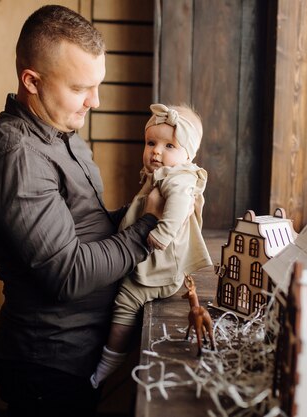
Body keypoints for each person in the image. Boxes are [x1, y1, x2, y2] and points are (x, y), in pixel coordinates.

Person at [0, 5, 164, 417]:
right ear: (32, 81)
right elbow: (67, 273)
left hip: (77, 354)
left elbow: (87, 230)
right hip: (48, 363)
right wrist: (149, 225)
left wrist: (148, 205)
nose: (96, 101)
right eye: (80, 88)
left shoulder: (60, 130)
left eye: (97, 85)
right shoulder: (16, 156)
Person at [90, 103, 213, 388]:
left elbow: (180, 207)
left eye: (169, 145)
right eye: (151, 143)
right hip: (151, 258)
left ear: (187, 154)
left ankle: (112, 357)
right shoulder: (164, 174)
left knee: (126, 300)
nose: (156, 151)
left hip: (161, 265)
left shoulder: (179, 178)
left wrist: (162, 234)